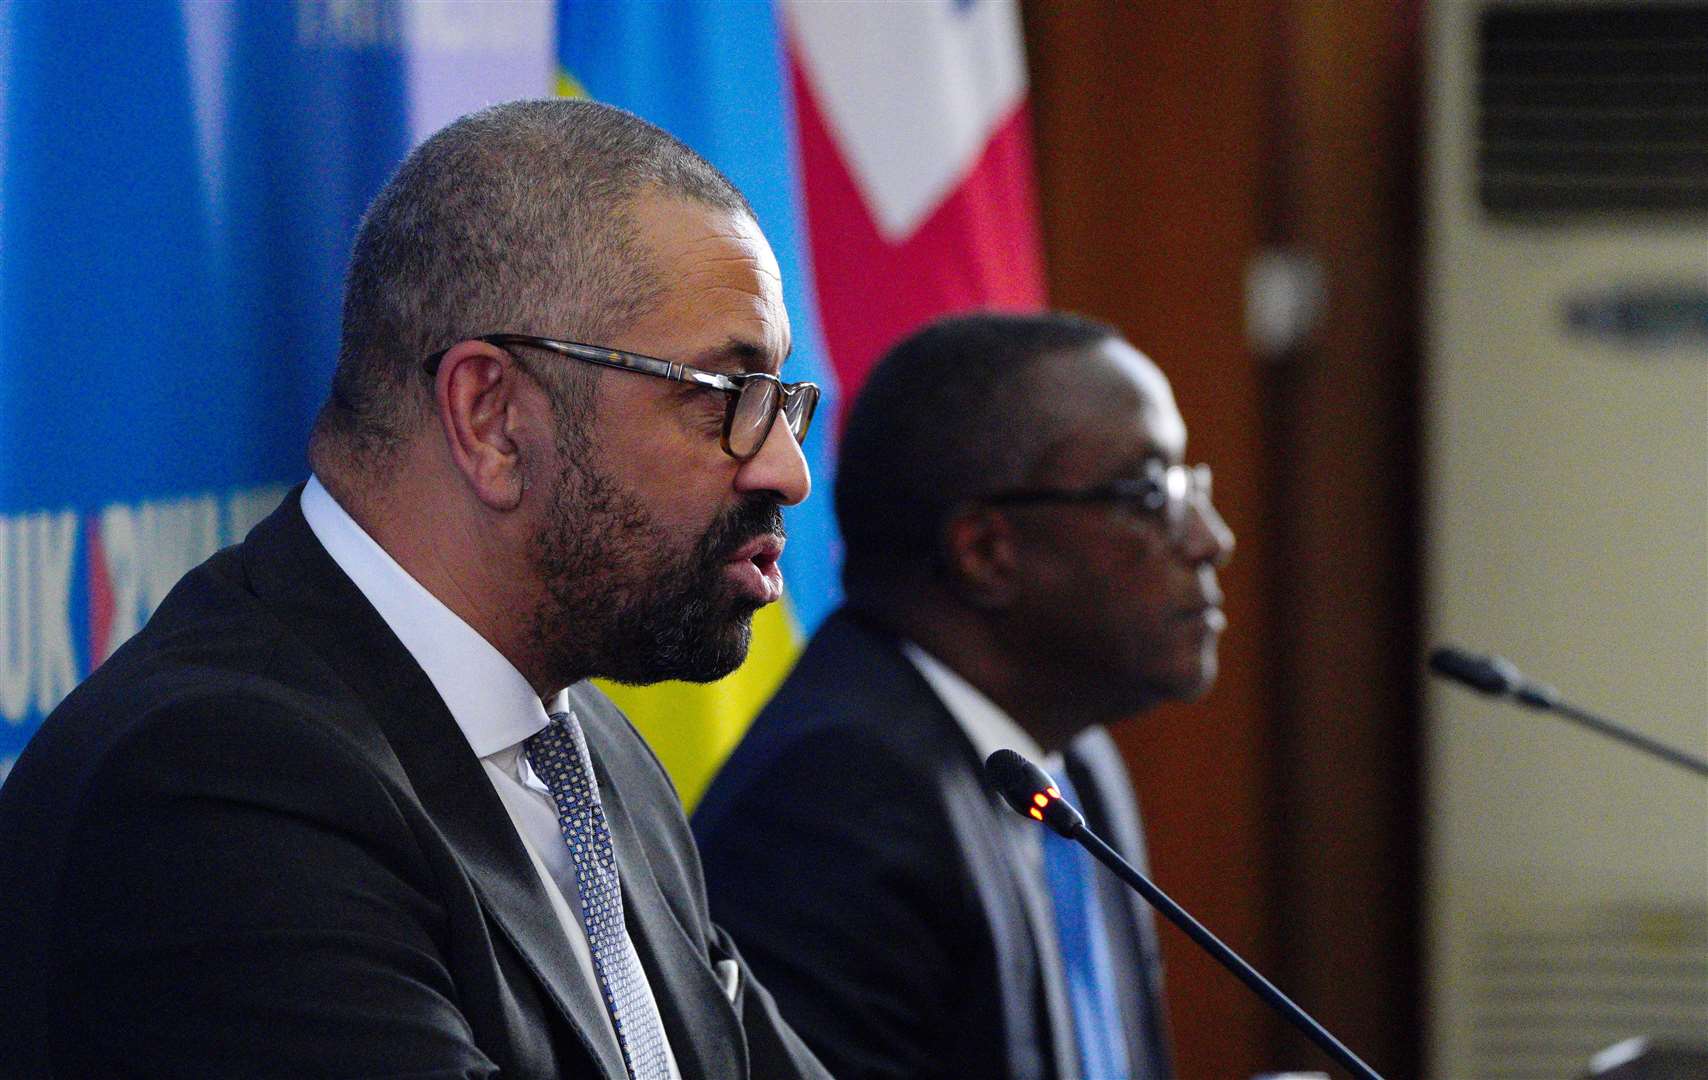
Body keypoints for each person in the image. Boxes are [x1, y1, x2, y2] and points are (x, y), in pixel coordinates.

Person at [0, 100, 830, 1079]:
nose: (786, 469)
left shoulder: (585, 742)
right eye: (724, 398)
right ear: (490, 418)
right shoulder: (219, 786)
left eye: (781, 401)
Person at [693, 311, 1236, 1080]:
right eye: (1153, 492)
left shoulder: (1074, 761)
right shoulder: (832, 804)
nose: (1211, 537)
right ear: (986, 552)